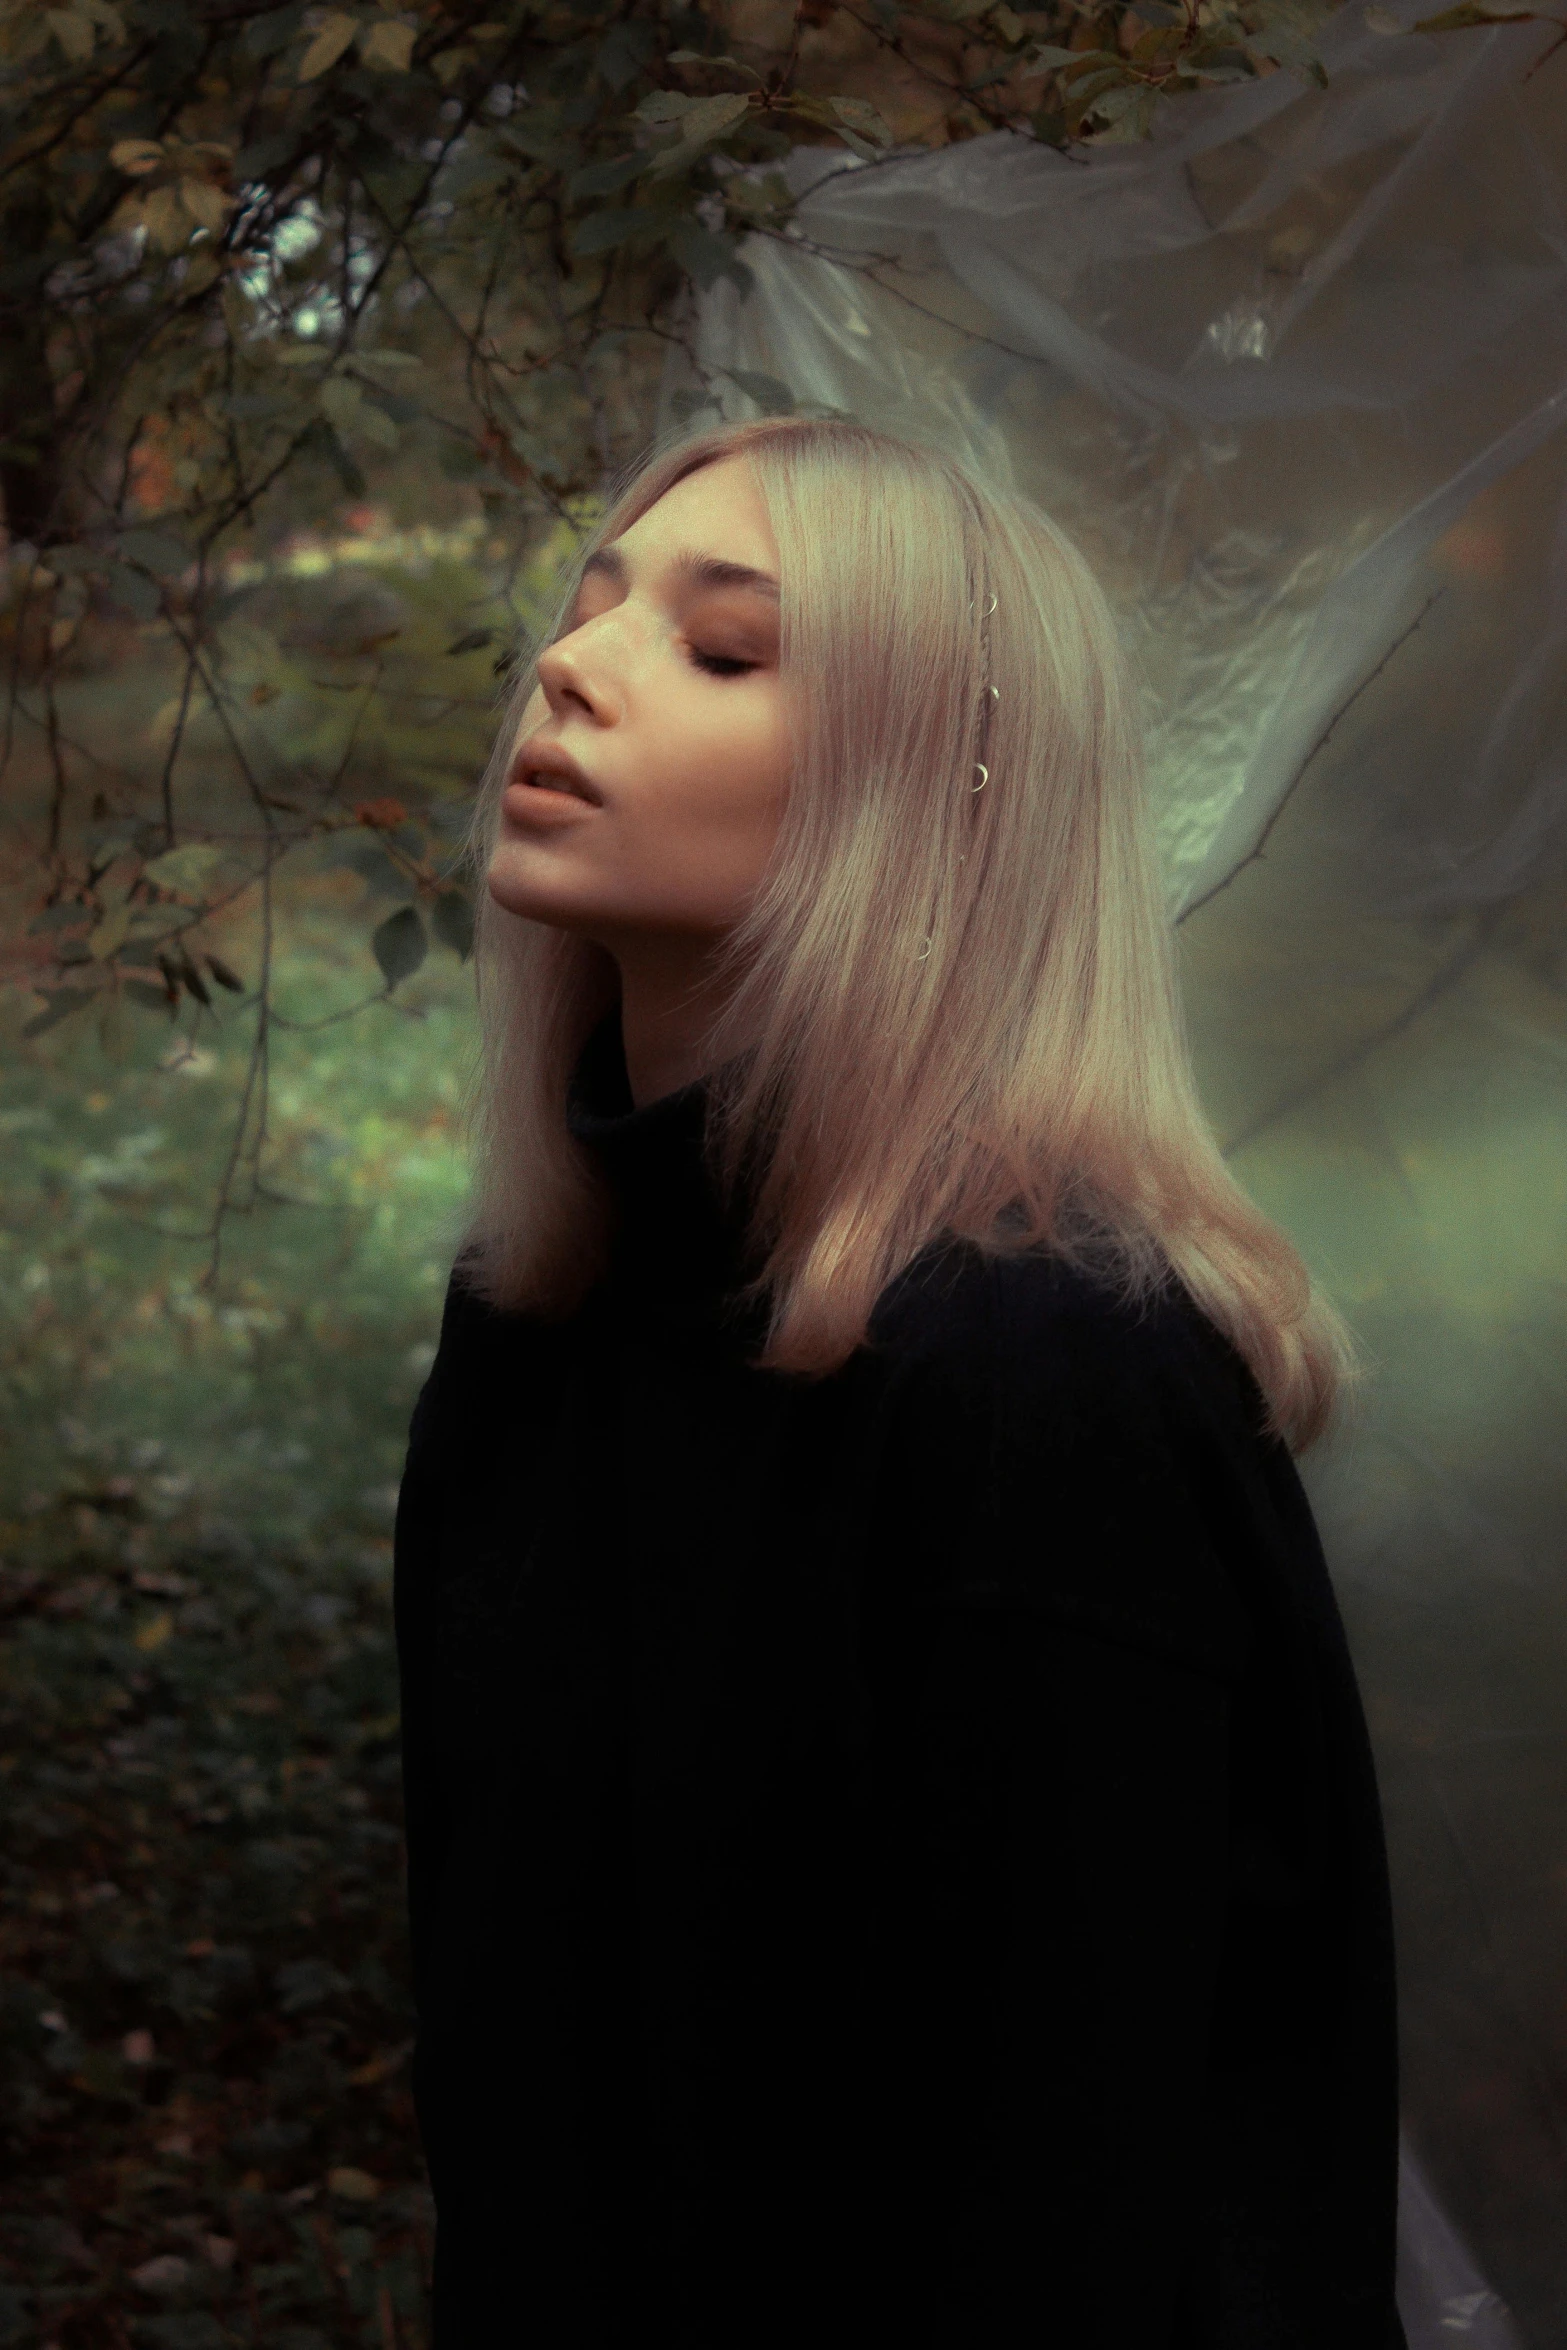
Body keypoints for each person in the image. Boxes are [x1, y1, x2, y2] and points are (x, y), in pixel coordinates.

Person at [392, 415, 1407, 2348]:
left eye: (721, 648)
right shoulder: (534, 1315)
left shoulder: (1045, 1381)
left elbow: (1077, 2211)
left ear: (938, 791)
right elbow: (517, 2051)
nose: (569, 663)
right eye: (589, 606)